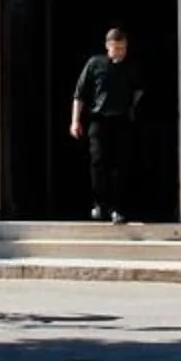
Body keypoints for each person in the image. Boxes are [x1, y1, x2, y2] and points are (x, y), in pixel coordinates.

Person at [68, 28, 142, 224]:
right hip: (99, 120)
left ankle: (117, 208)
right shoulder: (95, 64)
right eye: (116, 48)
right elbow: (80, 94)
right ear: (107, 46)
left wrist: (131, 109)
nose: (119, 52)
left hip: (122, 120)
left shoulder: (131, 66)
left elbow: (138, 91)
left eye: (123, 48)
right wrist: (75, 121)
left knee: (120, 165)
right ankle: (100, 205)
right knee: (98, 162)